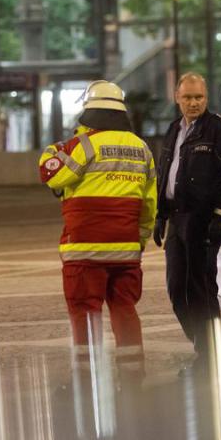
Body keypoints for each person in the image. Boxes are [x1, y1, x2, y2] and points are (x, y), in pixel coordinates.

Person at [39, 80, 157, 382]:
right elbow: (149, 203)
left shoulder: (84, 145)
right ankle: (133, 377)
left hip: (85, 249)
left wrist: (53, 150)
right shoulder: (141, 148)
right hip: (126, 248)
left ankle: (86, 380)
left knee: (84, 313)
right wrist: (140, 239)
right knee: (125, 310)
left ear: (88, 111)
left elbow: (51, 175)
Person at [153, 72, 221, 372]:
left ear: (206, 98)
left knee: (201, 289)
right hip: (177, 218)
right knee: (176, 288)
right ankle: (202, 345)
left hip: (202, 220)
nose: (193, 103)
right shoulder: (173, 130)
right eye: (187, 97)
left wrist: (219, 216)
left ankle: (210, 356)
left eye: (199, 97)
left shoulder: (220, 130)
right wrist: (160, 215)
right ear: (176, 98)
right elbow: (165, 173)